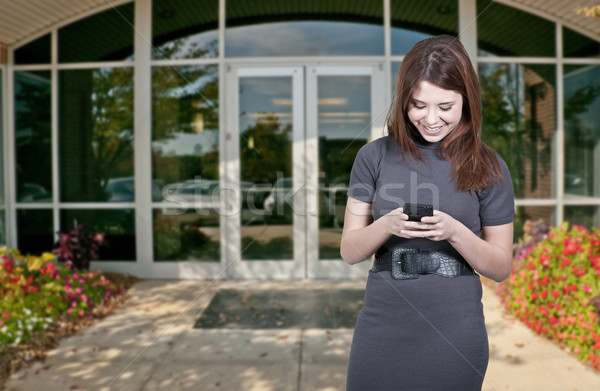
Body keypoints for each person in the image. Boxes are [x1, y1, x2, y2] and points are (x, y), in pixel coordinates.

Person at [341, 35, 514, 391]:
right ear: (404, 100)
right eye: (418, 105)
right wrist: (387, 224)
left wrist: (454, 232)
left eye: (445, 107)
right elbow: (350, 251)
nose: (431, 119)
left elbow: (500, 267)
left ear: (467, 101)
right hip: (381, 327)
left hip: (455, 332)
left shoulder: (490, 166)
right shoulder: (372, 157)